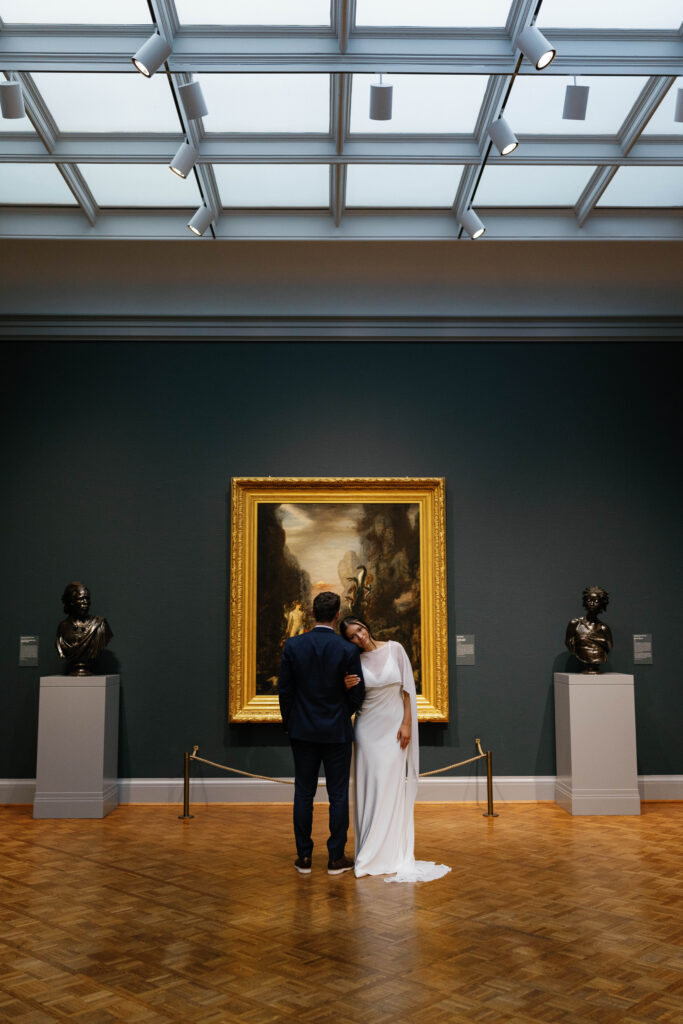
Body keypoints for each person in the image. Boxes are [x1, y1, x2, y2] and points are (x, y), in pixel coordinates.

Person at [340, 616, 450, 883]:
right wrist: (345, 688)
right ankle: (369, 852)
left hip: (394, 727)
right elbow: (350, 701)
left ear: (367, 626)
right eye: (352, 636)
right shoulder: (354, 662)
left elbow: (407, 691)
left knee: (390, 786)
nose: (359, 637)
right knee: (371, 787)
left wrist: (407, 724)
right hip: (367, 729)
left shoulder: (395, 648)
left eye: (360, 630)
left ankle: (390, 853)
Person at [278, 591, 365, 876]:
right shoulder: (348, 650)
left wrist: (291, 723)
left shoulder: (293, 646)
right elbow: (357, 694)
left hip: (302, 731)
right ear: (337, 615)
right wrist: (344, 711)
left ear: (313, 614)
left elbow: (285, 692)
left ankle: (304, 858)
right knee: (338, 795)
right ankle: (335, 858)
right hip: (337, 732)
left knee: (303, 793)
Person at [55, 581, 113, 676]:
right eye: (81, 599)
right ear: (71, 602)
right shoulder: (63, 627)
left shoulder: (100, 625)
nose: (85, 602)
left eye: (87, 599)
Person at [565, 585, 613, 673]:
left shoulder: (604, 628)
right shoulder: (575, 624)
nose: (592, 603)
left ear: (602, 604)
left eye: (596, 601)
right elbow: (568, 643)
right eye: (589, 600)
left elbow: (609, 647)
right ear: (584, 602)